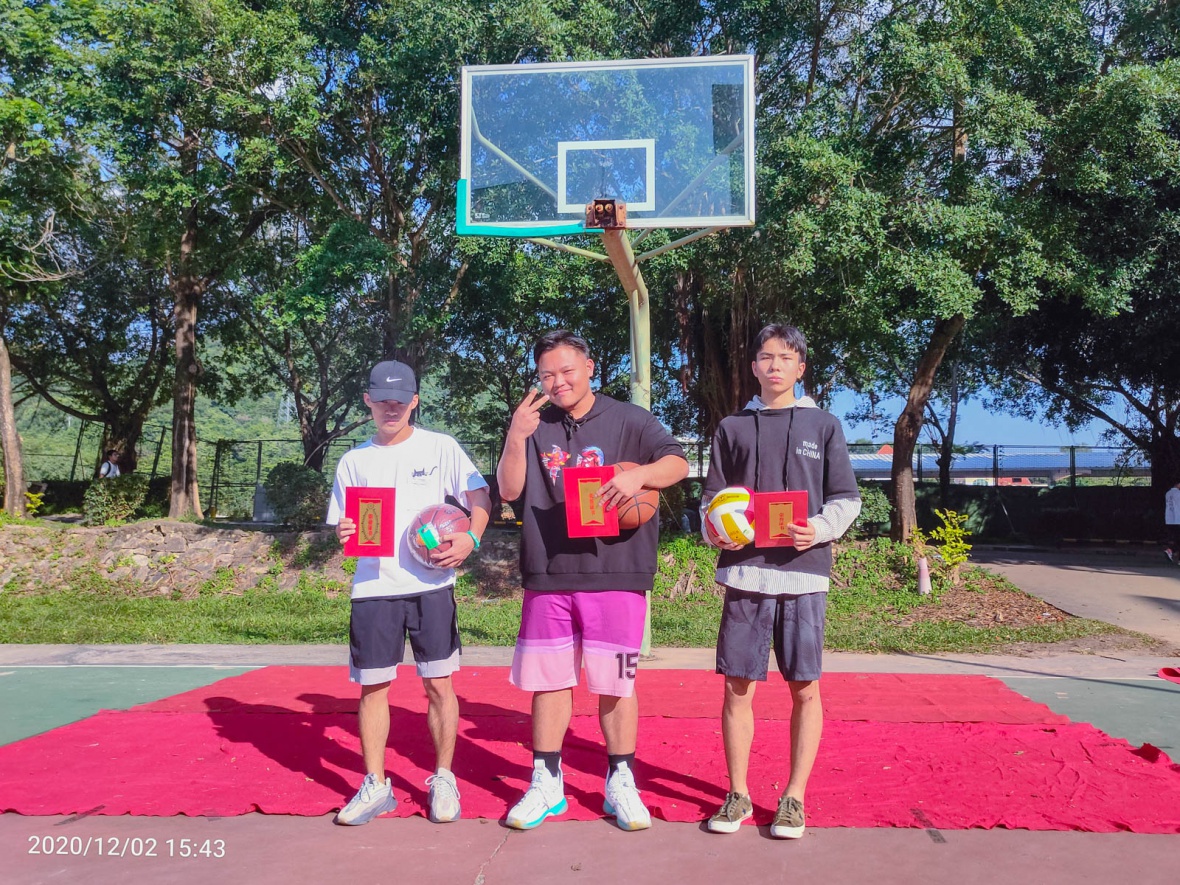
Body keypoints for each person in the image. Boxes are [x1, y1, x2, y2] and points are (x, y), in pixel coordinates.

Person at [496, 330, 689, 831]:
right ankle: (546, 781)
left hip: (617, 573)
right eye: (547, 375)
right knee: (549, 683)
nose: (557, 382)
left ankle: (621, 780)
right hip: (549, 571)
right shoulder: (532, 424)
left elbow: (678, 463)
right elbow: (509, 490)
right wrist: (515, 435)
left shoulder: (630, 419)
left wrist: (638, 475)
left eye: (566, 371)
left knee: (617, 683)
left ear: (590, 367)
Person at [701, 323, 861, 839]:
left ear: (800, 367)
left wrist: (818, 529)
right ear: (754, 367)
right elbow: (711, 502)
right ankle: (738, 794)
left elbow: (846, 499)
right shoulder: (732, 427)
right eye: (766, 357)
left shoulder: (825, 425)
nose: (775, 365)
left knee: (805, 688)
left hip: (804, 576)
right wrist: (715, 531)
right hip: (746, 573)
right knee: (737, 687)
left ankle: (794, 797)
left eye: (785, 357)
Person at [327, 360, 491, 826]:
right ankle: (376, 785)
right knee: (373, 687)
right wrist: (343, 532)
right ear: (367, 401)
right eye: (382, 401)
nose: (391, 408)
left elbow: (480, 498)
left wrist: (471, 538)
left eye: (400, 401)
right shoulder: (353, 461)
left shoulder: (441, 447)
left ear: (414, 401)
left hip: (431, 587)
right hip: (373, 588)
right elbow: (343, 526)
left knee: (439, 684)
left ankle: (444, 778)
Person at [1165, 479, 1180, 564]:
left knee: (1176, 539)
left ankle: (1172, 551)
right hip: (1178, 519)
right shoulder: (1178, 493)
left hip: (1170, 520)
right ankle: (1171, 550)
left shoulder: (1168, 493)